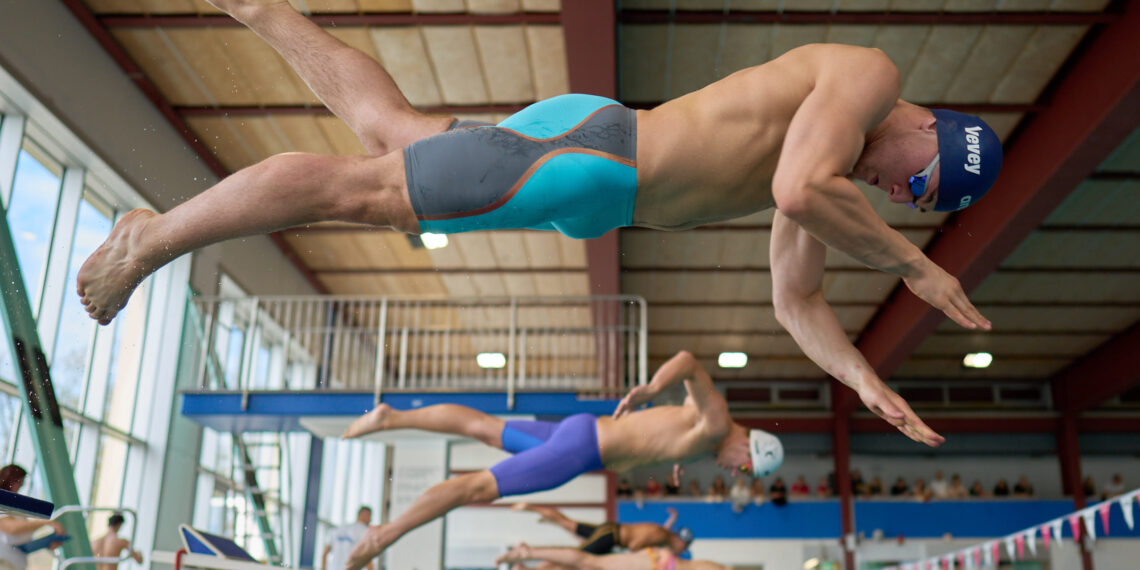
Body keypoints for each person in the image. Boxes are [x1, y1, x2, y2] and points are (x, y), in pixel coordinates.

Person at [76, 0, 1003, 450]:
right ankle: (151, 238)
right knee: (360, 191)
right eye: (915, 187)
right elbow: (801, 194)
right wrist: (914, 268)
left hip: (588, 164)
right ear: (931, 130)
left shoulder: (824, 153)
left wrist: (862, 376)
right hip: (592, 160)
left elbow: (794, 296)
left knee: (394, 134)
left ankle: (266, 11)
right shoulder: (867, 76)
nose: (896, 202)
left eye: (911, 210)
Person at [339, 351, 782, 569]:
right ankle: (385, 535)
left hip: (580, 432)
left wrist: (677, 454)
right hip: (583, 450)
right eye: (742, 469)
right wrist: (649, 388)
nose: (733, 473)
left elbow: (668, 433)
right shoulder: (719, 422)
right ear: (752, 450)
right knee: (476, 487)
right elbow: (688, 363)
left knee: (484, 428)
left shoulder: (711, 436)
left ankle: (391, 417)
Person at [509, 503, 692, 556]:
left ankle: (531, 507)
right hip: (611, 537)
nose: (680, 552)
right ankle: (527, 553)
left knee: (568, 524)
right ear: (680, 541)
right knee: (574, 556)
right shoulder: (661, 536)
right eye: (683, 548)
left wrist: (672, 519)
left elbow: (663, 532)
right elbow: (636, 544)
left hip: (610, 530)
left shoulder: (663, 534)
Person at [0, 465, 66, 570]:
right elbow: (12, 528)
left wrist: (46, 542)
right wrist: (46, 522)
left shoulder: (13, 506)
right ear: (10, 480)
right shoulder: (2, 503)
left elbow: (19, 535)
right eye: (19, 483)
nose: (20, 487)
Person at [496, 543, 730, 570]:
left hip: (656, 561)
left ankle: (530, 554)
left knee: (587, 564)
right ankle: (529, 553)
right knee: (588, 562)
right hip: (654, 563)